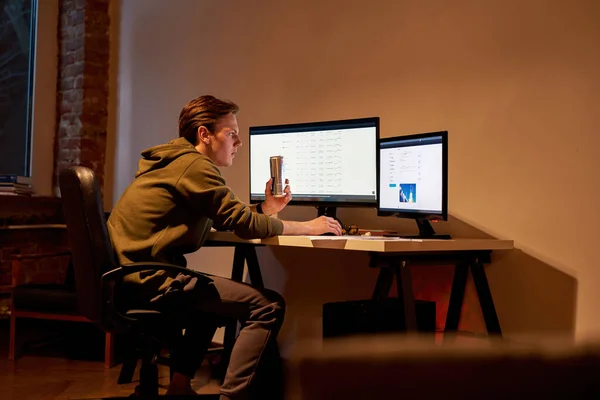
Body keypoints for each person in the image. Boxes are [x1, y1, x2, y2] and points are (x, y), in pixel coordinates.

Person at [107, 95, 342, 399]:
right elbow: (242, 223)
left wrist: (266, 209)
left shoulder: (172, 163)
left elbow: (228, 217)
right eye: (231, 134)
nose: (239, 142)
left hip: (129, 278)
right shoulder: (194, 166)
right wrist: (311, 226)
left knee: (209, 300)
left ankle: (179, 387)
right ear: (204, 134)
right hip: (152, 280)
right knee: (267, 305)